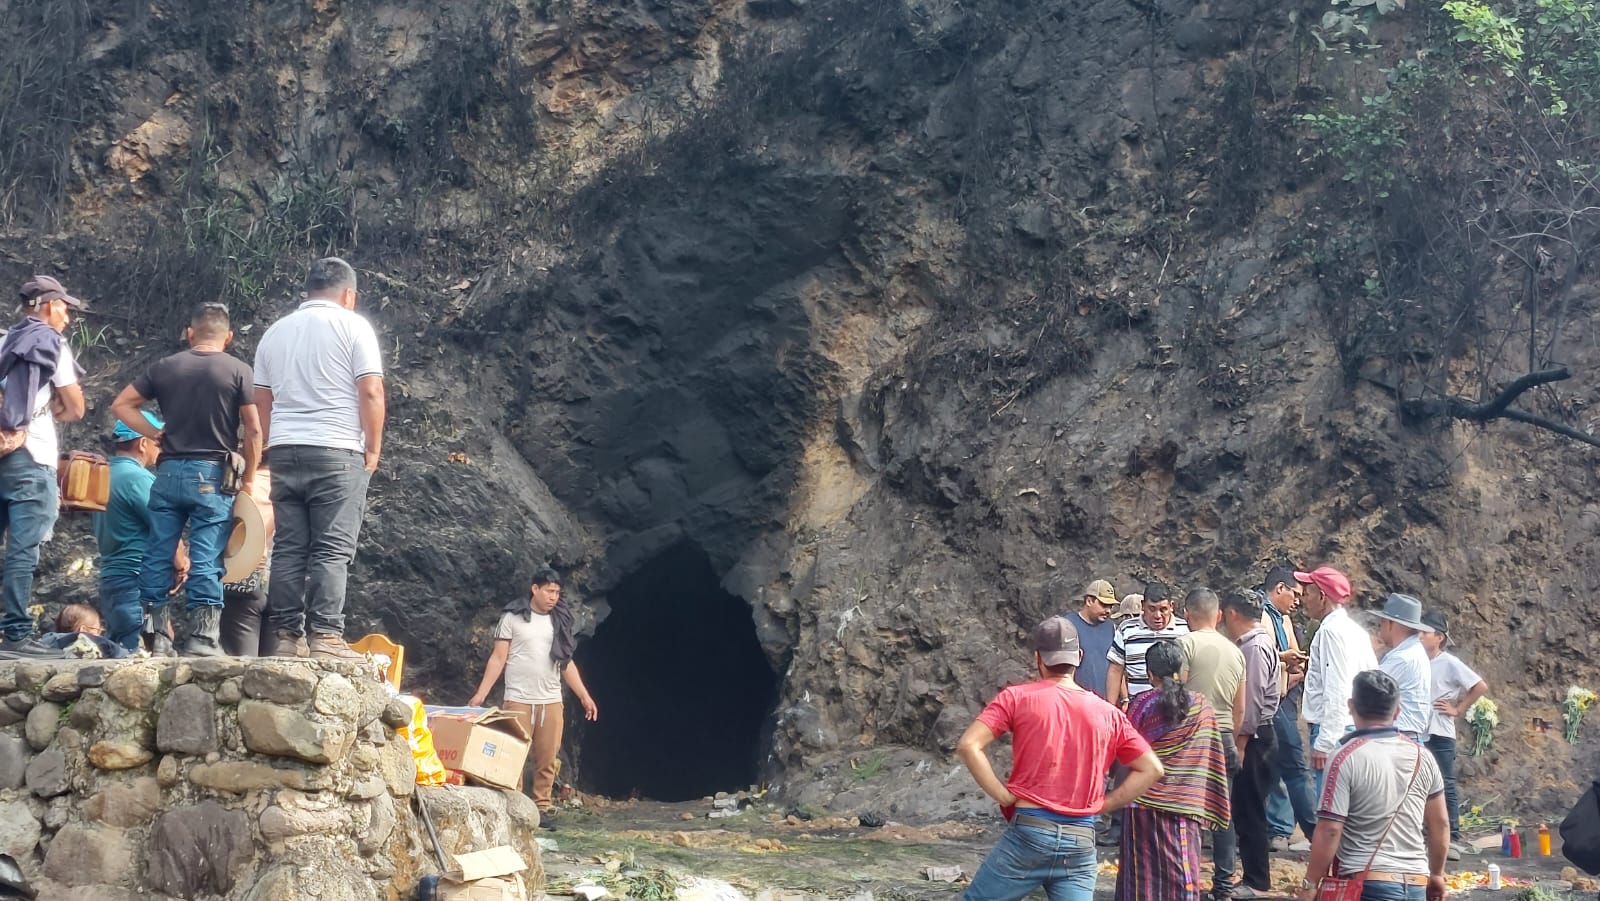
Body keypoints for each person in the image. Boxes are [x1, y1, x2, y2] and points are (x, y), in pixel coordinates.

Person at [957, 615, 1163, 901]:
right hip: (1080, 841)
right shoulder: (1109, 713)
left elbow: (969, 745)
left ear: (1037, 658)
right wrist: (1105, 804)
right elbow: (1151, 768)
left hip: (1029, 833)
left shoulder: (1017, 698)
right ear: (1078, 657)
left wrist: (1003, 796)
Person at [111, 303, 261, 657]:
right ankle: (203, 640)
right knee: (208, 556)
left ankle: (155, 639)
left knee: (157, 554)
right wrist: (250, 480)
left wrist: (156, 433)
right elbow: (253, 429)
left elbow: (122, 405)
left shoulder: (165, 367)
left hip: (167, 472)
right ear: (228, 337)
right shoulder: (237, 370)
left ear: (190, 333)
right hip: (212, 476)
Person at [254, 258, 386, 659]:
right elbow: (370, 391)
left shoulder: (274, 333)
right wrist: (374, 446)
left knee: (289, 548)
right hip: (337, 450)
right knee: (331, 548)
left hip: (284, 451)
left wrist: (265, 448)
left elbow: (262, 400)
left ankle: (285, 638)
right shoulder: (353, 326)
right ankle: (326, 636)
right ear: (349, 295)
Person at [1297, 670, 1448, 901]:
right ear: (1397, 712)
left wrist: (1310, 884)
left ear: (1351, 706)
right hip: (1416, 882)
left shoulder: (1344, 757)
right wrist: (1437, 874)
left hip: (1368, 884)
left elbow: (1330, 829)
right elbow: (1441, 824)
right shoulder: (1423, 757)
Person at [468, 569, 598, 819]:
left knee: (548, 756)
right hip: (518, 698)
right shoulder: (512, 617)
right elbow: (498, 659)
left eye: (558, 592)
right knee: (513, 753)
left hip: (550, 699)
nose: (554, 597)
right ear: (534, 589)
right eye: (549, 591)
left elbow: (566, 663)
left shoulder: (559, 620)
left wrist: (584, 695)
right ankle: (514, 806)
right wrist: (480, 695)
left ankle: (542, 805)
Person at [0, 277, 86, 655]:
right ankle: (16, 634)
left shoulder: (4, 339)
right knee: (22, 549)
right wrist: (50, 411)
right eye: (65, 308)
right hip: (31, 457)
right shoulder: (51, 342)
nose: (66, 317)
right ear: (49, 305)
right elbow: (76, 407)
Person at [1116, 640, 1231, 901]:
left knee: (1140, 879)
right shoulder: (1202, 707)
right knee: (1182, 872)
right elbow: (1212, 756)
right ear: (1182, 671)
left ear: (1150, 674)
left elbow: (1128, 754)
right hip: (1185, 806)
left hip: (1141, 808)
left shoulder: (1141, 704)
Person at [92, 412, 189, 651]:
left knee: (120, 653)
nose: (161, 448)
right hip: (136, 581)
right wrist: (181, 564)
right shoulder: (138, 478)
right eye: (158, 441)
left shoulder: (101, 475)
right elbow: (165, 528)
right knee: (145, 655)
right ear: (143, 443)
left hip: (111, 581)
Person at [1177, 588, 1245, 897]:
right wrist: (1231, 735)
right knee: (1223, 814)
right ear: (1218, 616)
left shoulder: (1184, 644)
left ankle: (1185, 880)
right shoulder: (1235, 651)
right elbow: (1240, 707)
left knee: (1185, 810)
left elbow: (1177, 696)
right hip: (1225, 735)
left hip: (1191, 736)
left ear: (1187, 615)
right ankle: (1223, 888)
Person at [1220, 588, 1282, 900]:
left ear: (1232, 613)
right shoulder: (1256, 643)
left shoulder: (1255, 648)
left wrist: (1240, 745)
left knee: (1249, 810)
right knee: (1247, 808)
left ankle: (1257, 880)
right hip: (1260, 736)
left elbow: (1252, 704)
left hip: (1256, 739)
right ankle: (1254, 875)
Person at [1300, 565, 1378, 790]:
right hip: (1357, 727)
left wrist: (1325, 741)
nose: (1304, 599)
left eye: (1308, 593)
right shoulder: (1356, 631)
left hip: (1336, 731)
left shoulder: (1330, 632)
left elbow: (1337, 688)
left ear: (1322, 596)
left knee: (1331, 808)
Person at [1419, 611, 1486, 860]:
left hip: (1440, 730)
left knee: (1445, 782)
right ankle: (1427, 833)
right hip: (1419, 729)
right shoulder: (1416, 659)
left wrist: (1457, 709)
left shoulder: (1449, 662)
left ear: (1439, 637)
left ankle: (1453, 835)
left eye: (1424, 633)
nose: (1419, 636)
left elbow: (1479, 685)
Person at [1263, 567, 1318, 848]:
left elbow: (1293, 658)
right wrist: (1282, 658)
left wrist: (1293, 663)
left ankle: (1280, 828)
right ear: (1279, 589)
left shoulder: (1284, 619)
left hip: (1283, 698)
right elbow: (1252, 655)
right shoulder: (1260, 616)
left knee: (1279, 766)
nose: (1297, 601)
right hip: (1266, 702)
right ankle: (1310, 830)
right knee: (1293, 765)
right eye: (1294, 594)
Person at [221, 467, 276, 656]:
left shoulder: (239, 484)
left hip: (245, 577)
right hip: (285, 582)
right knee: (276, 671)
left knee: (242, 666)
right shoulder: (298, 485)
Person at [1108, 582, 1190, 708]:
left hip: (1176, 709)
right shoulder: (1127, 629)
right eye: (1152, 609)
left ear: (1171, 606)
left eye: (1163, 609)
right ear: (1143, 606)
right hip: (1138, 708)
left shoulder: (1185, 631)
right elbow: (1115, 670)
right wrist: (1111, 708)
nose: (1157, 615)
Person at [1372, 594, 1432, 743]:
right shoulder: (1413, 651)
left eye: (1383, 623)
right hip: (1408, 736)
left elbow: (1367, 686)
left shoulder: (1403, 657)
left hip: (1400, 737)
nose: (1380, 628)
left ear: (1391, 624)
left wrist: (1368, 651)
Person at [1069, 578, 1119, 700]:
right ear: (1089, 601)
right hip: (1078, 702)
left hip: (1106, 704)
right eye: (1103, 605)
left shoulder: (1111, 628)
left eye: (1110, 606)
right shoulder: (1069, 626)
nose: (1108, 610)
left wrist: (1123, 698)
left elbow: (1117, 666)